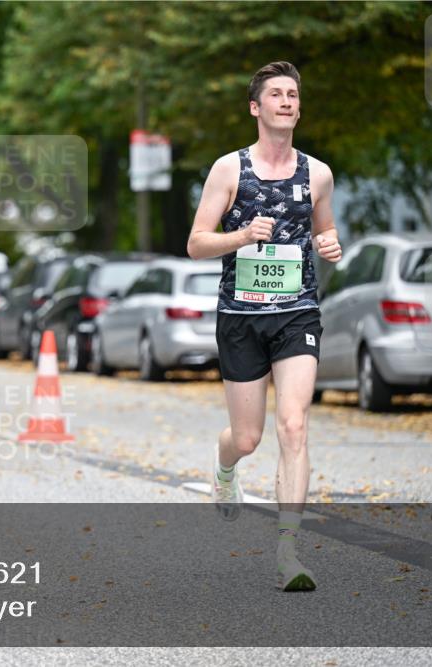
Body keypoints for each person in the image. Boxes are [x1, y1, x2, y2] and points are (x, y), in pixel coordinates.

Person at [187, 62, 343, 591]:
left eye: (292, 94)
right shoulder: (229, 170)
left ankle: (288, 553)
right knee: (248, 437)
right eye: (275, 94)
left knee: (294, 425)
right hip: (240, 316)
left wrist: (330, 245)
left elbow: (326, 232)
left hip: (297, 312)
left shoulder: (317, 174)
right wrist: (241, 236)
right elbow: (196, 242)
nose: (286, 101)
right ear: (256, 107)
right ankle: (225, 465)